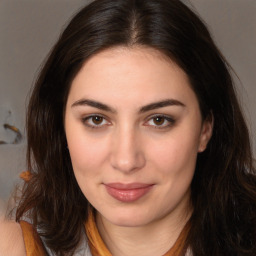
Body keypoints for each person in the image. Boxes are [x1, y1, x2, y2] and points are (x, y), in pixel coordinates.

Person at [0, 0, 255, 255]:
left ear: (205, 129)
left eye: (159, 120)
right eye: (96, 119)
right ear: (60, 125)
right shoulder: (16, 243)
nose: (125, 161)